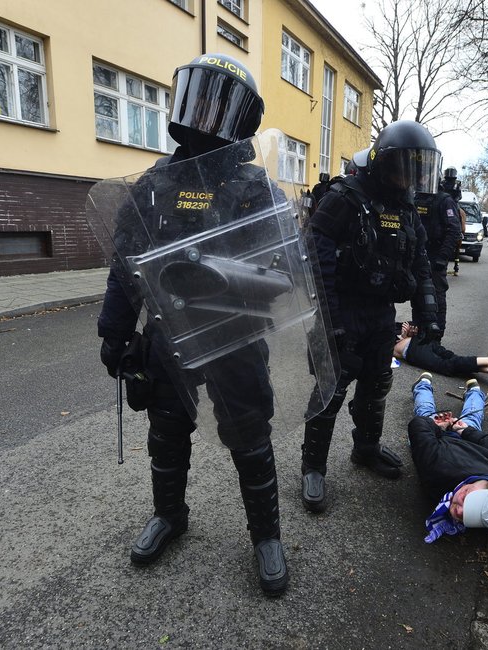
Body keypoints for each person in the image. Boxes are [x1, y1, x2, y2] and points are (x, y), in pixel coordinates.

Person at [96, 53, 289, 596]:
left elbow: (282, 273)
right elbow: (124, 264)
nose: (203, 113)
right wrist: (114, 333)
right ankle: (170, 515)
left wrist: (222, 278)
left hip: (234, 333)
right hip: (168, 332)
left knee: (249, 434)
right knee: (166, 428)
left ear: (241, 117)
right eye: (196, 97)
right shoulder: (155, 183)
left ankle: (266, 536)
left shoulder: (256, 189)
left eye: (217, 102)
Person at [300, 120, 441, 514]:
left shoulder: (407, 207)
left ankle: (365, 449)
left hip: (381, 314)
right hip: (342, 309)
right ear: (382, 161)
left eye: (416, 168)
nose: (407, 177)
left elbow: (422, 264)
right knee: (330, 390)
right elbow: (315, 259)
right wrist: (330, 322)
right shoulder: (343, 199)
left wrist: (428, 315)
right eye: (402, 166)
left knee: (377, 383)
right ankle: (312, 467)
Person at [408, 373, 488, 543]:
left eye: (461, 515)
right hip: (460, 443)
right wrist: (466, 431)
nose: (457, 506)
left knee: (426, 413)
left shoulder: (434, 465)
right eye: (465, 496)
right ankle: (471, 392)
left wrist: (437, 426)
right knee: (469, 420)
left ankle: (425, 385)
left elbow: (419, 427)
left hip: (438, 442)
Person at [393, 322, 488, 387]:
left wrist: (408, 332)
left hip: (413, 348)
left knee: (447, 366)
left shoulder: (382, 328)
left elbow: (410, 324)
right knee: (454, 359)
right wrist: (404, 335)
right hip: (418, 344)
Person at [415, 168, 463, 339]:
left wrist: (443, 257)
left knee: (437, 295)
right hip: (418, 254)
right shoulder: (416, 197)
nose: (423, 179)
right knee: (418, 295)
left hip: (435, 255)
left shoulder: (444, 200)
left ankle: (436, 335)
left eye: (426, 175)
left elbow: (454, 230)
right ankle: (420, 332)